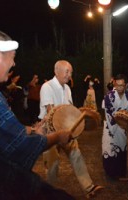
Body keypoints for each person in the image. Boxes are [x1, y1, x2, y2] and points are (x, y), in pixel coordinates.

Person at [0, 30, 74, 199]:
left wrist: (30, 130)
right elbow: (20, 145)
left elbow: (9, 133)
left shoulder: (67, 88)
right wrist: (56, 136)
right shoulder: (47, 87)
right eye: (12, 56)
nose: (14, 64)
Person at [38, 60, 103, 198]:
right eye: (67, 71)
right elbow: (50, 112)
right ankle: (48, 194)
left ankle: (89, 188)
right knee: (52, 165)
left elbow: (69, 110)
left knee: (76, 155)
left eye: (71, 72)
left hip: (66, 130)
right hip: (50, 131)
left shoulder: (67, 88)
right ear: (56, 71)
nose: (69, 75)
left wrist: (79, 119)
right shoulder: (47, 86)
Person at [102, 74, 128, 181]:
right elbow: (108, 111)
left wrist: (126, 120)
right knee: (109, 148)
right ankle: (110, 173)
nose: (120, 88)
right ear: (114, 83)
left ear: (126, 85)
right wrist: (119, 117)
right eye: (118, 85)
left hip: (122, 127)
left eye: (122, 85)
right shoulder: (109, 96)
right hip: (110, 126)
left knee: (121, 148)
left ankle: (121, 173)